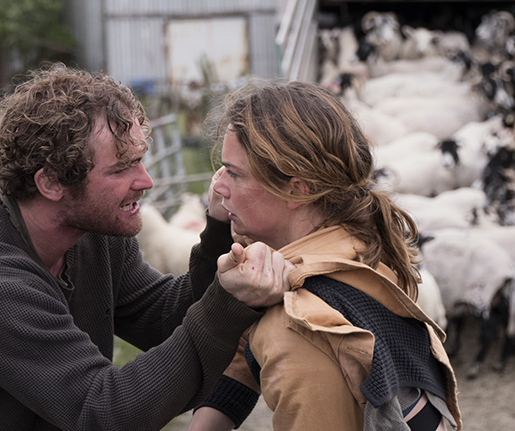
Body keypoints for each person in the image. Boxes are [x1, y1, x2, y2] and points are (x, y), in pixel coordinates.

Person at [0, 64, 293, 431]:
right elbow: (102, 413)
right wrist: (228, 302)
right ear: (50, 181)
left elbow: (164, 318)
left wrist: (219, 229)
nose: (146, 181)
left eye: (140, 159)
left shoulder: (89, 231)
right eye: (123, 167)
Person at [188, 80, 462, 431]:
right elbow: (245, 354)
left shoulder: (297, 327)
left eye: (234, 173)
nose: (218, 187)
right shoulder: (364, 248)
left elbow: (290, 341)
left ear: (297, 189)